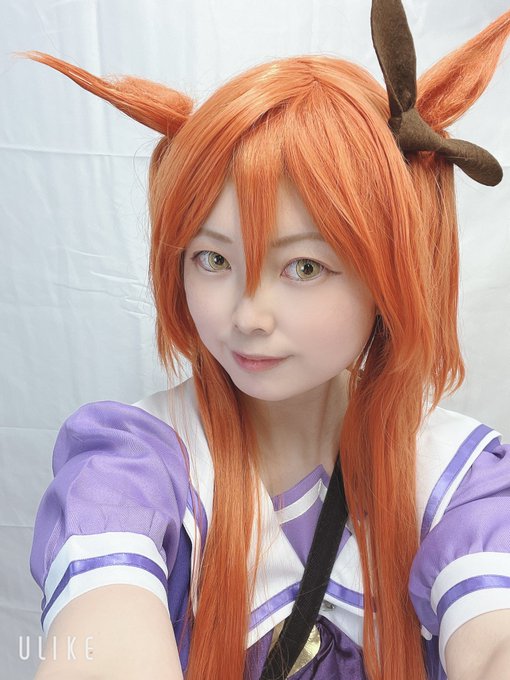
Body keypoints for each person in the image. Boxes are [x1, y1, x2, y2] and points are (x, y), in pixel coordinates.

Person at [27, 1, 510, 678]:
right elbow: (101, 627)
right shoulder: (136, 465)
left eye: (304, 267)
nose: (249, 315)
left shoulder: (455, 478)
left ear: (393, 275)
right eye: (213, 259)